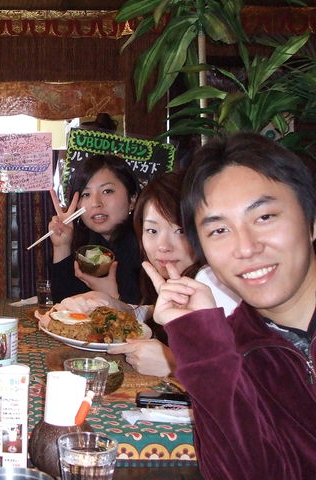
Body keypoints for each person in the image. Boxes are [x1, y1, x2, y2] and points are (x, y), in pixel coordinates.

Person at [144, 132, 316, 479]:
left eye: (264, 217)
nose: (246, 248)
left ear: (311, 223)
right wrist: (201, 344)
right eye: (219, 231)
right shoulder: (233, 347)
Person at [107, 170, 239, 376]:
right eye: (152, 230)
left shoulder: (214, 281)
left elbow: (248, 379)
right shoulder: (182, 279)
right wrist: (114, 305)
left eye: (181, 231)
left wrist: (174, 364)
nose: (163, 246)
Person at [49, 154, 142, 304]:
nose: (95, 203)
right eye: (86, 194)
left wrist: (113, 298)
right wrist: (62, 246)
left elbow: (155, 314)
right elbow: (64, 307)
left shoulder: (148, 247)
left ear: (132, 199)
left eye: (107, 191)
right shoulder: (87, 248)